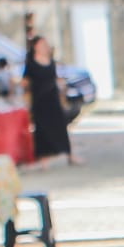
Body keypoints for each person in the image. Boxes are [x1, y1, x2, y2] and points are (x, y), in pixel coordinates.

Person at [25, 35, 80, 168]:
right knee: (42, 128)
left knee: (60, 125)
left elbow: (55, 78)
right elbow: (25, 81)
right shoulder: (31, 64)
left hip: (52, 98)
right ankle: (43, 158)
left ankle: (69, 154)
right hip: (39, 99)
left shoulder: (50, 61)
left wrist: (62, 89)